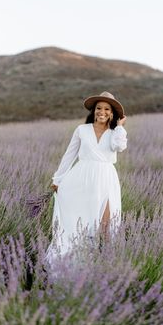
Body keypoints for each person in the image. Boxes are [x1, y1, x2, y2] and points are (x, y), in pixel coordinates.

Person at [46, 91, 127, 263]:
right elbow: (69, 155)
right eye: (99, 108)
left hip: (106, 179)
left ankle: (105, 263)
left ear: (112, 113)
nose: (102, 112)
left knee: (107, 225)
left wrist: (120, 126)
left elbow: (119, 147)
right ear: (93, 110)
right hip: (81, 179)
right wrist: (58, 179)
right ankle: (75, 262)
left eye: (107, 109)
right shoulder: (82, 130)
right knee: (80, 224)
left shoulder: (115, 133)